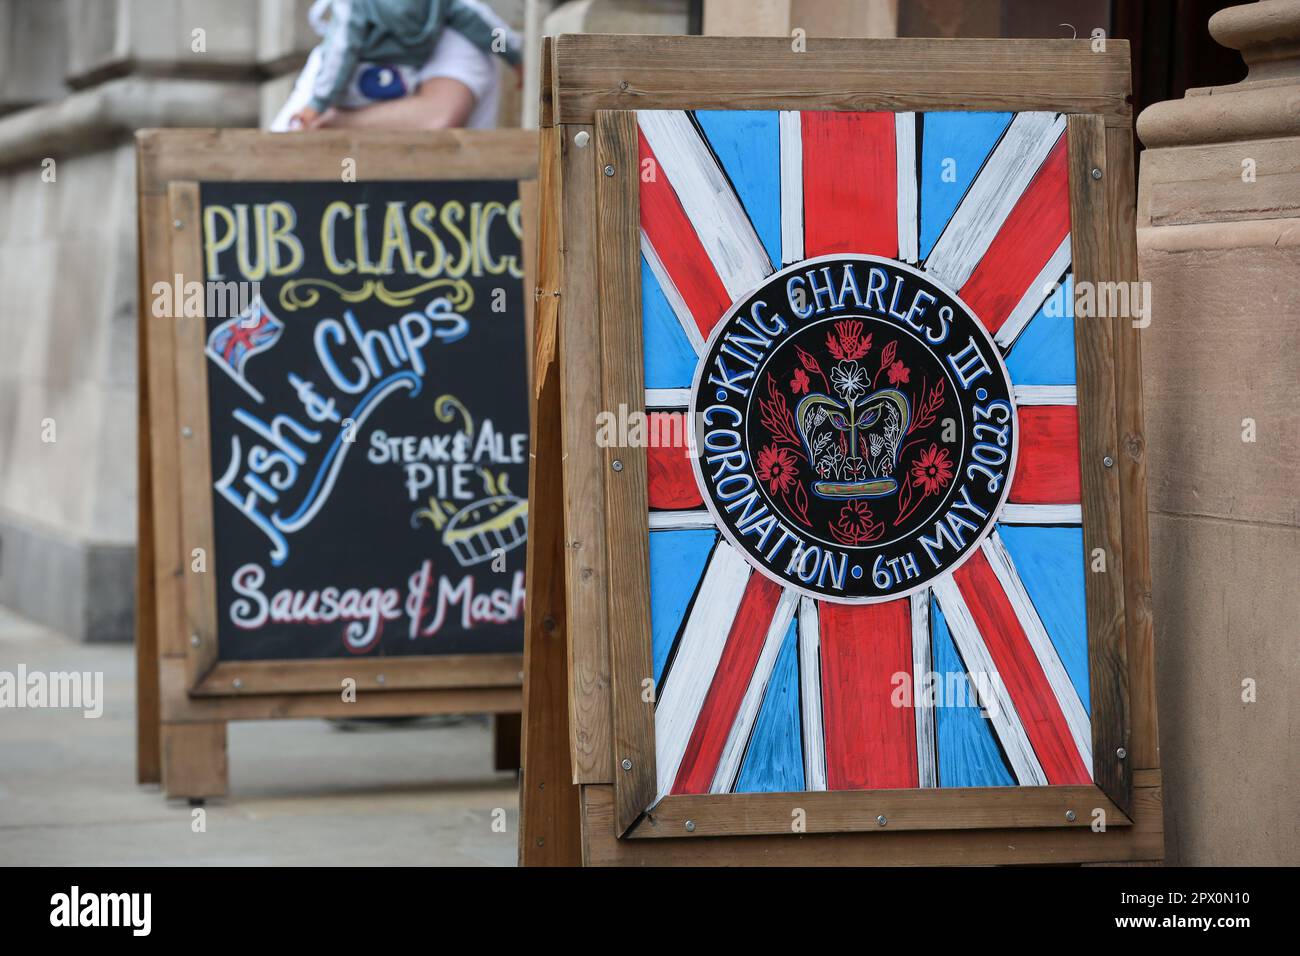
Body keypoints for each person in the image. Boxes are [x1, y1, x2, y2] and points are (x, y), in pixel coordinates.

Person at [271, 0, 521, 132]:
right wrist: (518, 60)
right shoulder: (449, 9)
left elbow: (437, 119)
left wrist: (325, 115)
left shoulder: (459, 37)